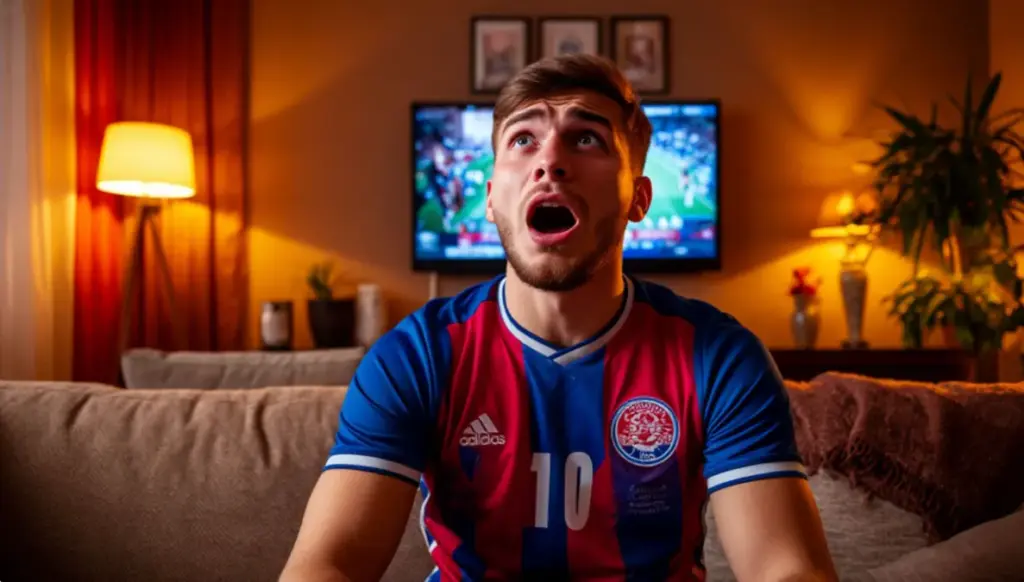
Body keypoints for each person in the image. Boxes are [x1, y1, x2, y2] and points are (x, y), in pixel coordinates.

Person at [279, 54, 837, 582]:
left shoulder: (720, 356)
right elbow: (329, 565)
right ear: (491, 197)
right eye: (523, 139)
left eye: (586, 137)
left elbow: (785, 568)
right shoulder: (416, 356)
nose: (549, 161)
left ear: (638, 198)